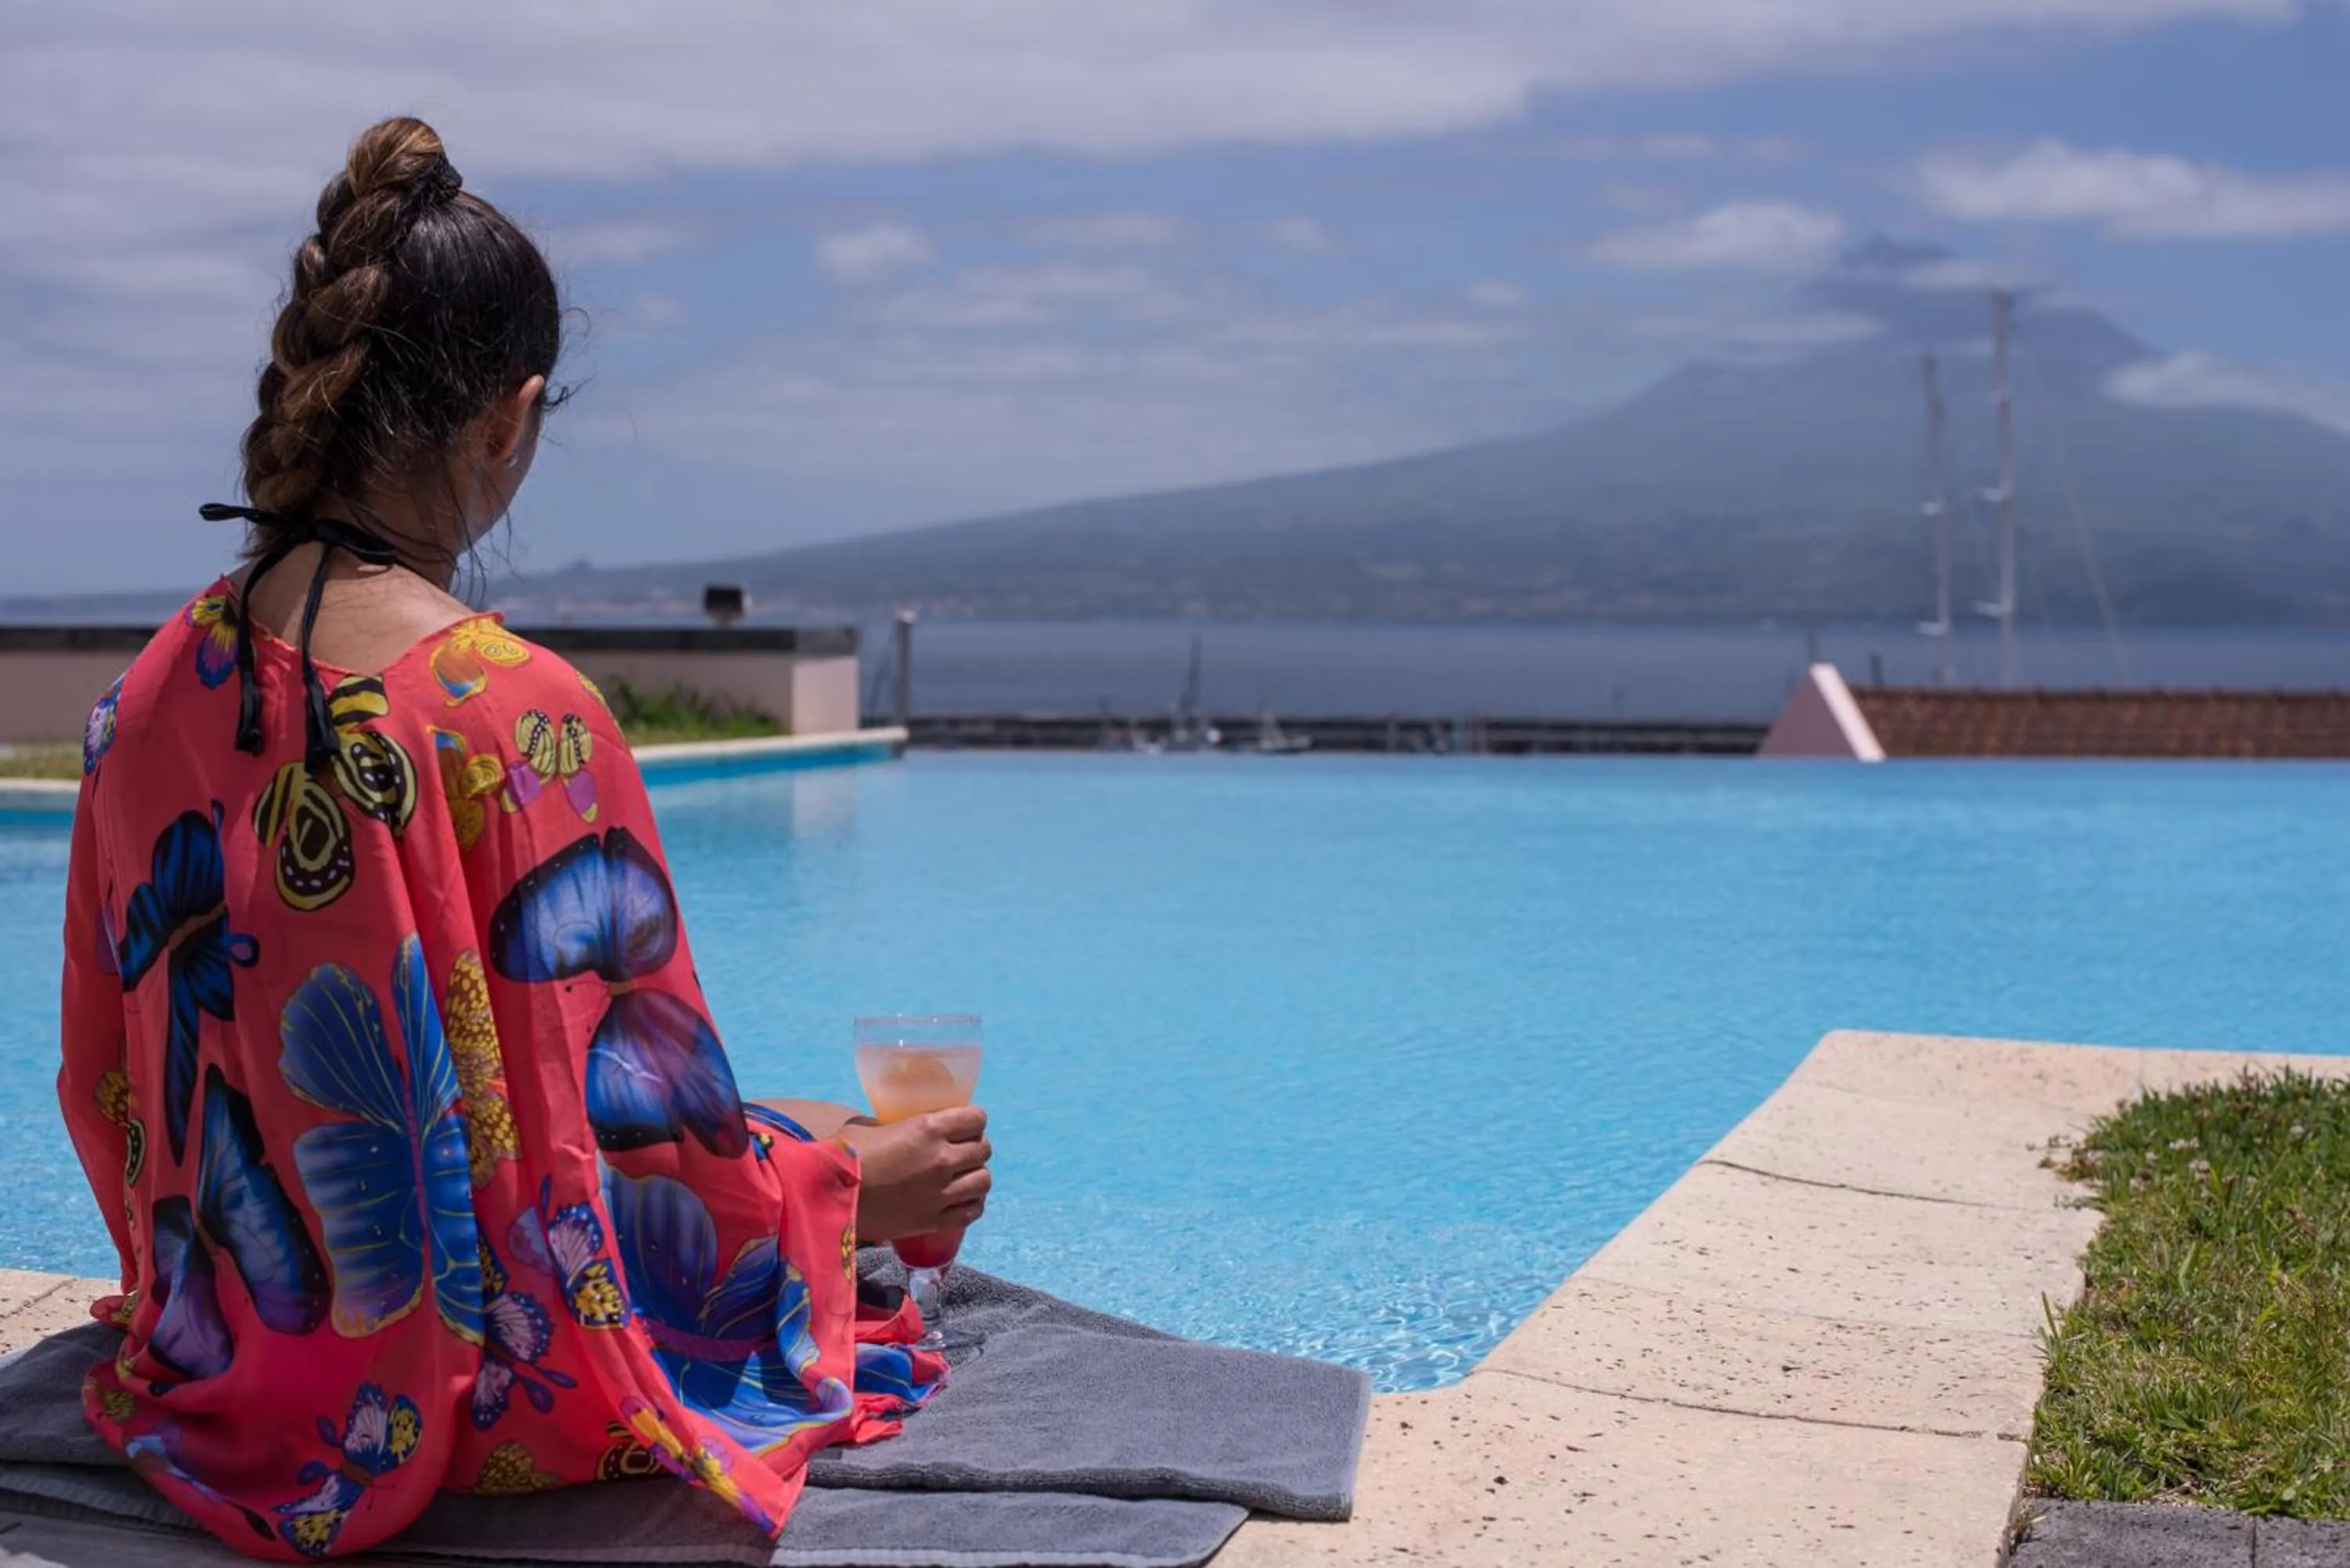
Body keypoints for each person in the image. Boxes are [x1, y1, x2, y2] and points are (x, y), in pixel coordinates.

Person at [55, 116, 992, 1562]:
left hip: (226, 1348)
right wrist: (854, 1195)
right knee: (863, 1156)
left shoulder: (144, 701)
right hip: (475, 1403)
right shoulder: (516, 713)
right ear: (512, 416)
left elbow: (110, 1086)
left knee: (811, 1125)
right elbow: (609, 1184)